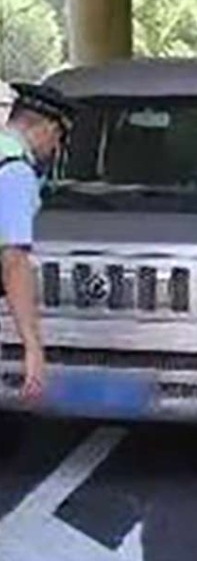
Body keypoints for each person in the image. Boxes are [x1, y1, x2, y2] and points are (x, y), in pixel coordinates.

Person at [0, 83, 77, 401]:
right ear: (47, 129)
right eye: (59, 137)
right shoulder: (14, 171)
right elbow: (14, 262)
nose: (55, 147)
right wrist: (32, 347)